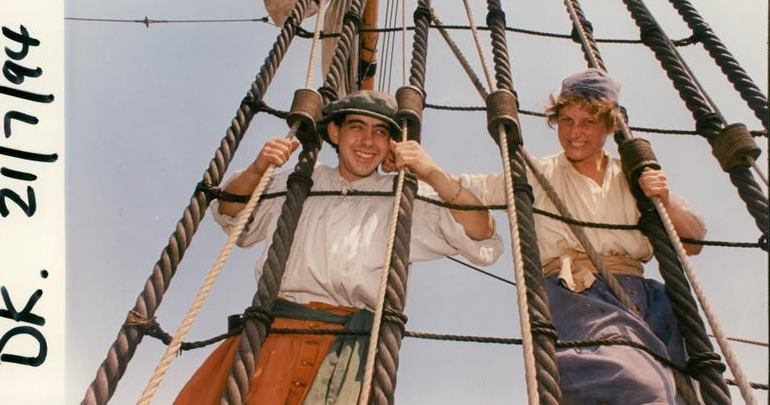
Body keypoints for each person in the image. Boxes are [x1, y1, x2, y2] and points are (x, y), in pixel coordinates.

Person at [175, 90, 504, 404]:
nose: (366, 141)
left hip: (349, 352)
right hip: (269, 339)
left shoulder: (402, 196)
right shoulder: (302, 179)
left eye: (379, 132)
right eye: (356, 127)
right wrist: (257, 168)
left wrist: (432, 173)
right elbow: (230, 212)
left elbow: (480, 232)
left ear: (391, 142)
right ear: (334, 131)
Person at [462, 69, 707, 404]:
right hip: (576, 293)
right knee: (642, 388)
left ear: (609, 126)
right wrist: (423, 169)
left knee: (689, 395)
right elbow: (467, 189)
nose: (574, 133)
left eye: (588, 122)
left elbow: (693, 242)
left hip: (651, 301)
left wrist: (663, 201)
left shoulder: (632, 176)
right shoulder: (536, 173)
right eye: (566, 120)